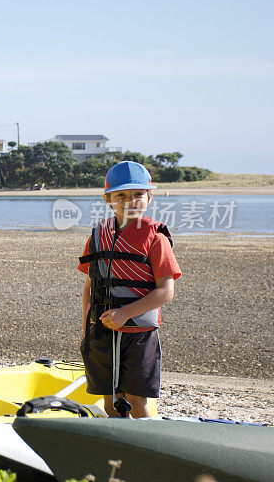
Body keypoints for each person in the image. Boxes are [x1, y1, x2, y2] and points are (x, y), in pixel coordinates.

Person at [78, 161, 181, 418]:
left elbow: (166, 291)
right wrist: (86, 331)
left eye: (138, 194)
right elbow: (90, 287)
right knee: (111, 401)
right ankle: (116, 453)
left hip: (139, 335)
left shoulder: (156, 239)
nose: (130, 201)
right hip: (101, 330)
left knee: (137, 401)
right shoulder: (97, 237)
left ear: (150, 197)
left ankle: (145, 449)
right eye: (121, 195)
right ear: (108, 199)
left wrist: (125, 313)